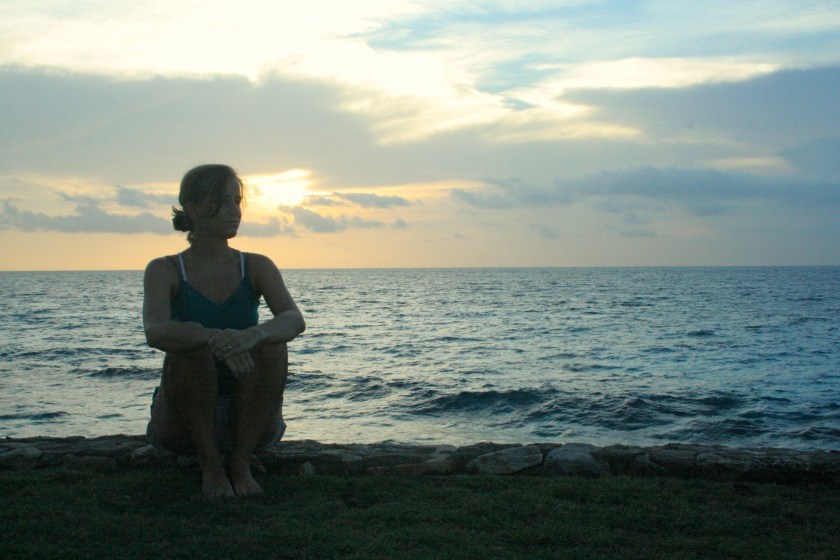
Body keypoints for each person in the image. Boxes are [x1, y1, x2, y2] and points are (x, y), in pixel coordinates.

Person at [143, 164, 305, 497]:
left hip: (251, 423)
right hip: (182, 425)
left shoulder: (256, 265)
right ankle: (211, 465)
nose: (234, 210)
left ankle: (240, 464)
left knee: (273, 345)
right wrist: (212, 338)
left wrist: (253, 335)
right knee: (188, 348)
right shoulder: (164, 269)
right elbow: (156, 331)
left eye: (237, 201)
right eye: (223, 200)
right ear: (193, 208)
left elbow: (293, 319)